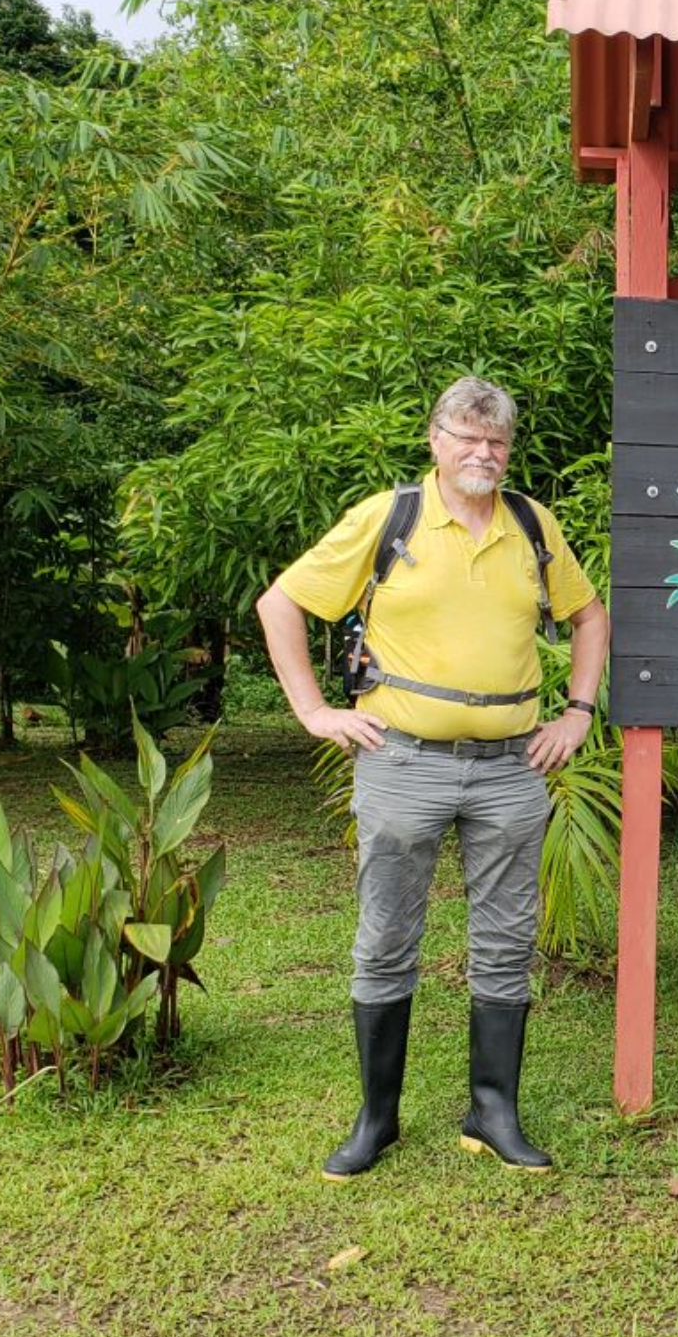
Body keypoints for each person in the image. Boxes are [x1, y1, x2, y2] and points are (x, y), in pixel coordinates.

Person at [256, 376, 608, 1181]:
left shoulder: (531, 523)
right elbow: (279, 603)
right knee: (384, 941)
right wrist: (314, 712)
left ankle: (494, 1113)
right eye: (467, 438)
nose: (483, 454)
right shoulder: (389, 519)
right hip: (403, 761)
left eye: (497, 442)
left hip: (512, 766)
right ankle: (376, 1119)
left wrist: (578, 711)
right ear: (435, 440)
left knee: (505, 943)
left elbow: (589, 616)